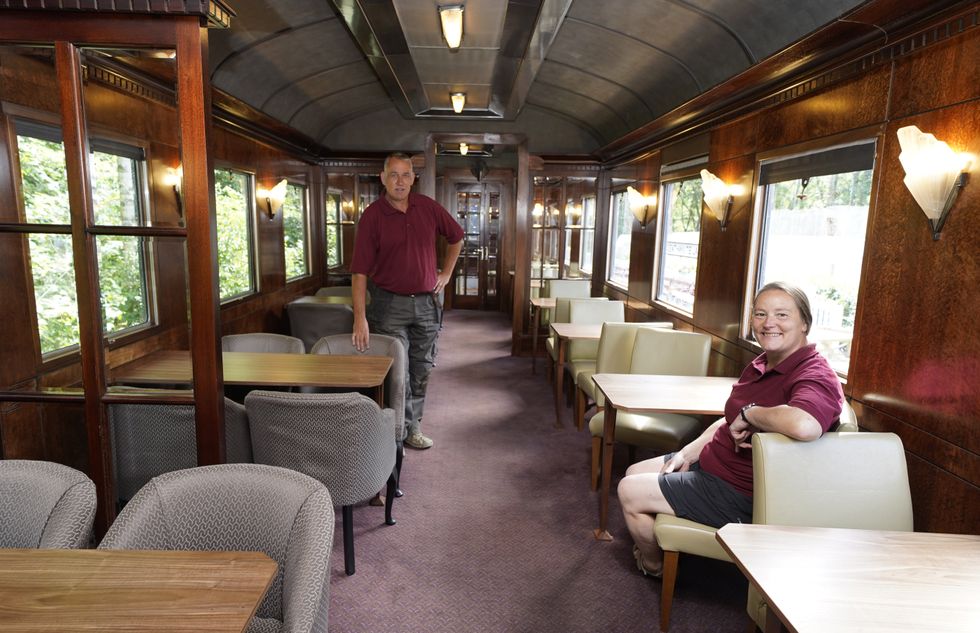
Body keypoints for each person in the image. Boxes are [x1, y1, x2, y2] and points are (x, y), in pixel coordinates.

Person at [617, 282, 843, 577]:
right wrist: (689, 452)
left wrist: (752, 414)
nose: (769, 323)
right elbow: (729, 419)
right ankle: (672, 541)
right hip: (713, 466)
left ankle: (653, 565)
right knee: (633, 472)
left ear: (805, 324)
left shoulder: (814, 374)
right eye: (760, 314)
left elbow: (805, 424)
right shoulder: (764, 362)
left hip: (739, 492)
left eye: (782, 315)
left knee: (629, 491)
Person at [351, 152, 464, 450]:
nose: (399, 181)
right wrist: (359, 317)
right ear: (383, 178)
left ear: (414, 178)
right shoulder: (373, 215)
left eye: (405, 175)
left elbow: (457, 237)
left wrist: (447, 273)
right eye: (393, 175)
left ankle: (413, 427)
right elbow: (360, 271)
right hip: (388, 306)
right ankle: (395, 432)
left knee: (422, 368)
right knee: (397, 371)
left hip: (427, 304)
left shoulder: (427, 207)